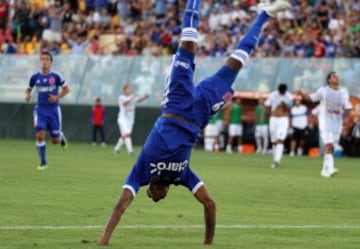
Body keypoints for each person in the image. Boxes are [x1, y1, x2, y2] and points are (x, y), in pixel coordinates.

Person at [97, 0, 291, 246]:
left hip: (175, 106)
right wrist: (207, 243)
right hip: (199, 114)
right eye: (161, 197)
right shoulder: (182, 176)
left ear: (151, 189)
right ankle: (264, 14)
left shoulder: (142, 170)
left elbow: (121, 204)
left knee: (188, 42)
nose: (158, 196)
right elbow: (210, 204)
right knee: (238, 61)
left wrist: (104, 240)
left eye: (154, 196)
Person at [297, 71, 352, 178]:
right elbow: (311, 98)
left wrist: (345, 120)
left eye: (337, 76)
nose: (336, 77)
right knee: (329, 145)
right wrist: (302, 93)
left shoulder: (343, 92)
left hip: (337, 124)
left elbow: (348, 108)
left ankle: (324, 170)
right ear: (329, 80)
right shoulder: (323, 91)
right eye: (333, 76)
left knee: (331, 148)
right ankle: (331, 168)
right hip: (325, 123)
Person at [25, 51, 69, 170]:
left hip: (53, 111)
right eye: (42, 59)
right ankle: (43, 162)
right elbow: (28, 89)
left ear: (51, 62)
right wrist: (27, 95)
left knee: (54, 140)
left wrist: (57, 97)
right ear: (40, 62)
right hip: (40, 110)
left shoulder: (56, 76)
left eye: (47, 59)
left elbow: (66, 90)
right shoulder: (35, 77)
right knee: (40, 135)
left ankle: (59, 135)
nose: (44, 61)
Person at [113, 83, 149, 155]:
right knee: (127, 134)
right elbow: (124, 103)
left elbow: (139, 100)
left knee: (125, 135)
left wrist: (145, 97)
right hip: (123, 118)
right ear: (124, 90)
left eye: (130, 89)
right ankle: (130, 151)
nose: (130, 90)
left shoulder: (132, 97)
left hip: (130, 119)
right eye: (128, 89)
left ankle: (116, 148)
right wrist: (133, 97)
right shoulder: (121, 97)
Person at [264, 83, 294, 169]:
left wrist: (285, 104)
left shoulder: (289, 96)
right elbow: (267, 105)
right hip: (273, 119)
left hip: (283, 119)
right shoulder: (273, 95)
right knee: (273, 141)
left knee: (280, 140)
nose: (282, 93)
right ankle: (274, 160)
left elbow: (290, 108)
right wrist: (269, 114)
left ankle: (277, 160)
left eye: (283, 92)